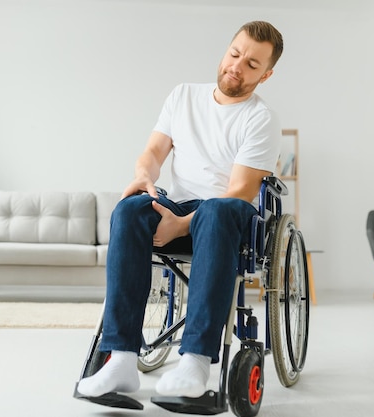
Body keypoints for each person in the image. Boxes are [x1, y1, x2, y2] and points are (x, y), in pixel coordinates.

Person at [78, 20, 284, 400]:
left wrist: (179, 226)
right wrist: (143, 177)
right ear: (227, 50)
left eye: (252, 64)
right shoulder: (184, 96)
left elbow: (239, 192)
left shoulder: (261, 118)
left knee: (217, 211)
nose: (237, 66)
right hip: (179, 202)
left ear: (266, 74)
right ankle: (121, 360)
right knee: (128, 210)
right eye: (235, 54)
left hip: (226, 213)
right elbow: (155, 152)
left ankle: (195, 362)